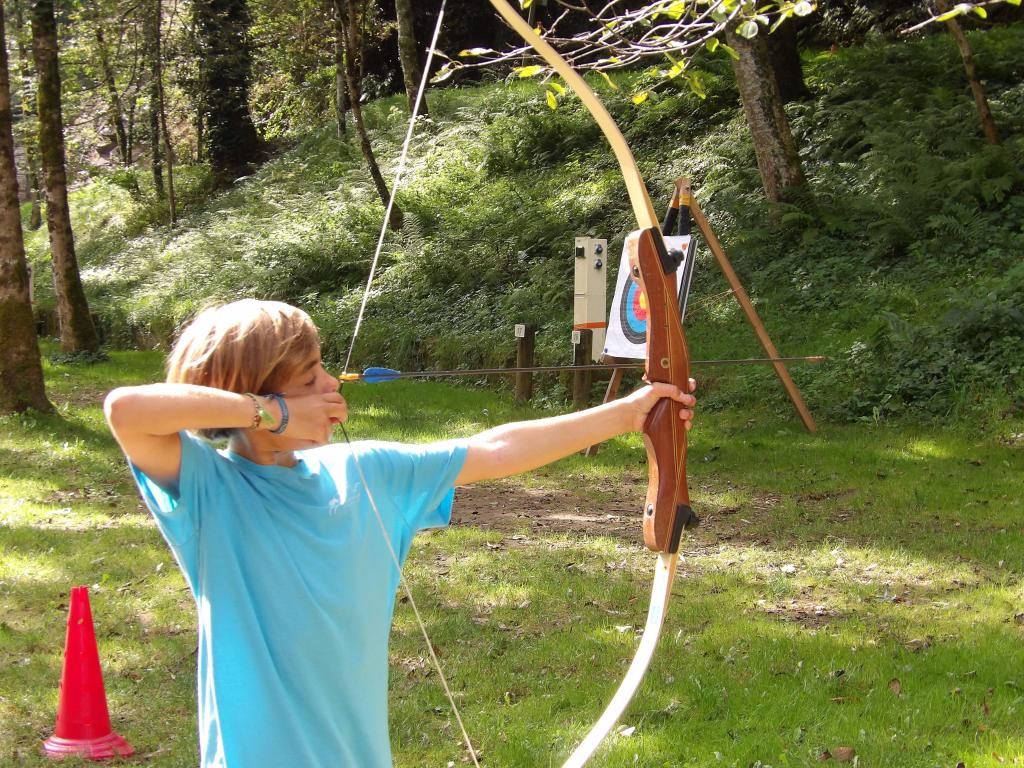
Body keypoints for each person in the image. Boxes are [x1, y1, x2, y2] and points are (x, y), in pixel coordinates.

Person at [104, 299, 696, 768]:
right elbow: (126, 409)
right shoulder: (209, 489)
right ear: (255, 393)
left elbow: (495, 448)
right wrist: (272, 415)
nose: (333, 383)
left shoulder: (365, 471)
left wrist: (628, 414)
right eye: (312, 377)